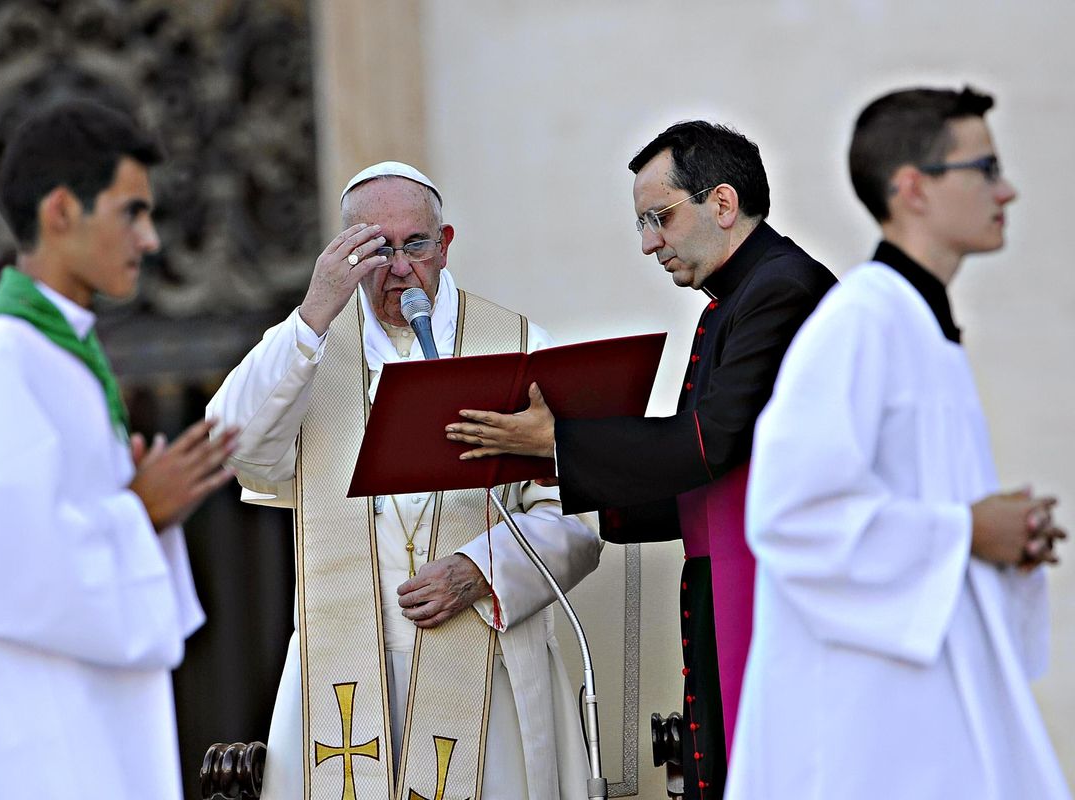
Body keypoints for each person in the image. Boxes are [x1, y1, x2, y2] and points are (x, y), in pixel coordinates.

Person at [445, 122, 836, 799]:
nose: (651, 242)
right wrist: (558, 467)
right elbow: (702, 478)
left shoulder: (780, 289)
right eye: (642, 225)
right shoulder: (739, 296)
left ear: (721, 203)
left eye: (659, 217)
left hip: (779, 592)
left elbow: (707, 446)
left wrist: (562, 444)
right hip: (736, 578)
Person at [0, 99, 238, 799]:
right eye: (132, 212)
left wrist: (139, 511)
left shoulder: (60, 357)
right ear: (63, 210)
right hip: (19, 734)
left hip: (68, 712)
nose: (152, 239)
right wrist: (138, 510)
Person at [206, 161, 601, 800]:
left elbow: (578, 517)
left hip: (485, 667)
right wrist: (311, 314)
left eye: (413, 244)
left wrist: (481, 569)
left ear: (444, 246)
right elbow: (232, 444)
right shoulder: (310, 350)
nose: (396, 267)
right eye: (372, 249)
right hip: (346, 669)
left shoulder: (517, 346)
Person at [725, 87, 1069, 800]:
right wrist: (969, 529)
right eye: (985, 167)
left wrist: (998, 536)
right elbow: (791, 517)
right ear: (913, 188)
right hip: (861, 724)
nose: (1007, 190)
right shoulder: (859, 320)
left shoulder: (920, 325)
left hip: (916, 701)